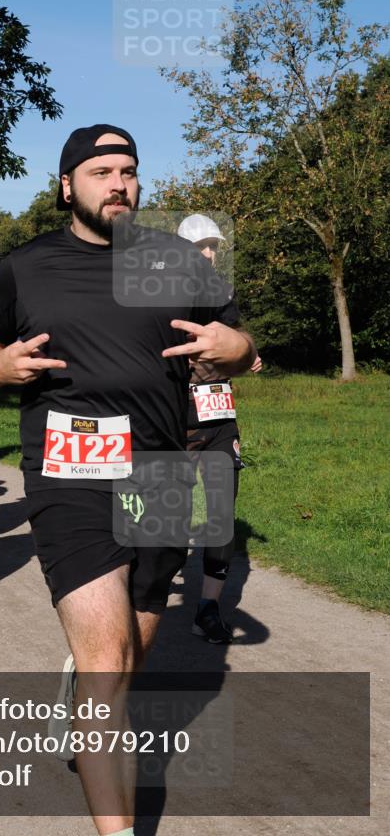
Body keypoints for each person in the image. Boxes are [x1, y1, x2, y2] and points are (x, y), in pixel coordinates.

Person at [0, 124, 256, 835]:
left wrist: (232, 348)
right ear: (67, 186)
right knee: (107, 660)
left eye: (128, 169)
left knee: (131, 653)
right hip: (69, 469)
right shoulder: (24, 268)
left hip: (158, 470)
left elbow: (244, 345)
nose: (118, 182)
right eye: (99, 171)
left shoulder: (178, 261)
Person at [177, 214, 260, 643]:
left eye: (213, 246)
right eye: (201, 246)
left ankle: (207, 608)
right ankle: (143, 591)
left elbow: (236, 344)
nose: (209, 253)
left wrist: (247, 355)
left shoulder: (221, 292)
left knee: (222, 516)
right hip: (176, 420)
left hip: (219, 418)